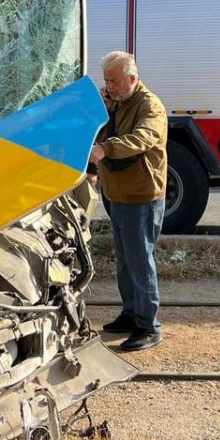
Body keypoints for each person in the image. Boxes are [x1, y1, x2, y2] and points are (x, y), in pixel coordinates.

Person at [89, 51, 167, 352]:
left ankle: (148, 325)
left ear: (132, 79)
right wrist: (105, 112)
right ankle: (131, 313)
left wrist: (106, 149)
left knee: (140, 262)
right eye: (106, 81)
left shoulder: (150, 106)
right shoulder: (118, 103)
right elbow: (104, 133)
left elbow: (142, 139)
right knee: (125, 261)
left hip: (140, 196)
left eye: (115, 81)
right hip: (118, 193)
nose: (109, 86)